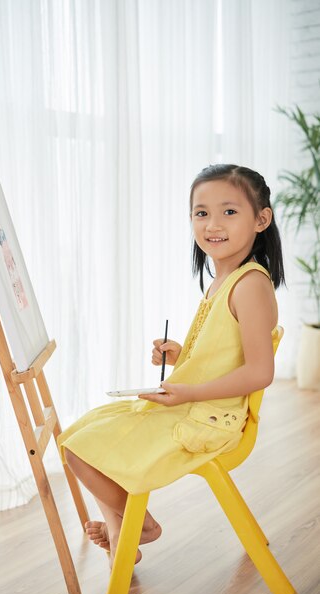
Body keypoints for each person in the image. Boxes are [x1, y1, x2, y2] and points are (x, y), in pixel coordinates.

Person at [57, 163, 285, 567]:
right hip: (197, 407)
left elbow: (259, 372)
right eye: (201, 213)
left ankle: (132, 524)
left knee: (78, 447)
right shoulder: (223, 281)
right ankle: (122, 522)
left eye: (229, 211)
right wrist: (183, 356)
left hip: (210, 420)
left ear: (261, 219)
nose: (213, 224)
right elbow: (227, 354)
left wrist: (189, 391)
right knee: (81, 431)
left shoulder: (251, 285)